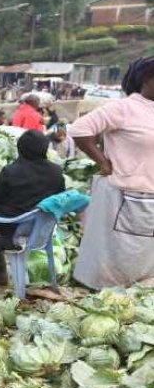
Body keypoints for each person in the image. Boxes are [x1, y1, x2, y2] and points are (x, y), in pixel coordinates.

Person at [68, 56, 154, 289]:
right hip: (124, 196)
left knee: (146, 263)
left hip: (149, 196)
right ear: (147, 79)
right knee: (116, 259)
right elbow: (79, 130)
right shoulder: (123, 108)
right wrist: (103, 162)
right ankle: (105, 299)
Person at [0, 130, 67, 284]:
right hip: (43, 232)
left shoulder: (11, 171)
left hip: (11, 231)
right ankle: (2, 275)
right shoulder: (56, 172)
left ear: (20, 149)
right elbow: (59, 200)